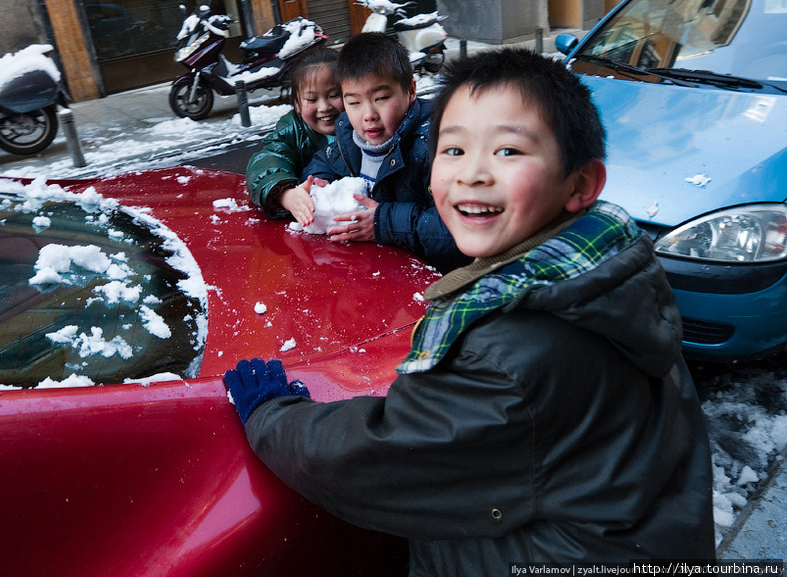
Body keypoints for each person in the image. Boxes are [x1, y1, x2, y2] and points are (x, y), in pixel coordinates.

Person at [224, 48, 715, 572]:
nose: (473, 173)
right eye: (453, 150)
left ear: (581, 185)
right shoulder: (600, 275)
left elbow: (385, 459)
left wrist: (272, 415)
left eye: (507, 151)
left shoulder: (511, 352)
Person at [302, 32, 469, 272]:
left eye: (381, 98)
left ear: (411, 91)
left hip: (431, 279)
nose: (368, 114)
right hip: (372, 271)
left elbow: (460, 226)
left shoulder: (435, 146)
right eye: (354, 102)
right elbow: (322, 162)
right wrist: (318, 185)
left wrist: (384, 222)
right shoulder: (349, 137)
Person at [246, 47, 343, 223]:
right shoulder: (293, 128)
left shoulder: (364, 125)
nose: (324, 107)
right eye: (312, 100)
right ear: (297, 104)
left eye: (334, 95)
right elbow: (267, 159)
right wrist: (285, 194)